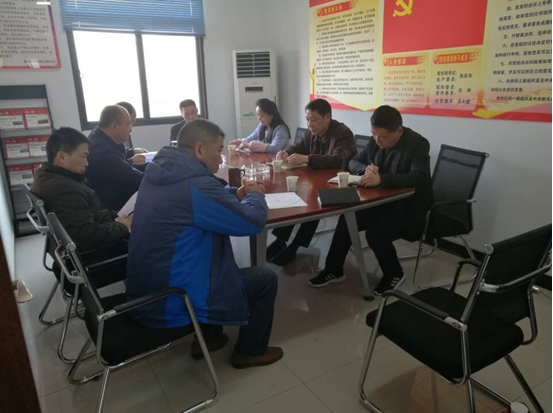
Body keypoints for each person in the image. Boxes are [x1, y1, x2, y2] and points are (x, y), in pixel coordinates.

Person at [127, 119, 283, 369]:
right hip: (171, 298)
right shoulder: (195, 184)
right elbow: (253, 222)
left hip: (147, 287)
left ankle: (209, 339)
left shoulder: (160, 172)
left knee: (209, 259)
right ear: (200, 149)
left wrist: (237, 194)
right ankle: (250, 352)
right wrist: (255, 195)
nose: (221, 158)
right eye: (219, 150)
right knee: (265, 279)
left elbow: (202, 200)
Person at [309, 105, 433, 293]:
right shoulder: (376, 140)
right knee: (348, 219)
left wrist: (382, 179)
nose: (377, 140)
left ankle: (394, 273)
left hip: (410, 208)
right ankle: (334, 269)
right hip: (383, 203)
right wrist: (365, 169)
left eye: (382, 137)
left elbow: (420, 177)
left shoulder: (417, 144)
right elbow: (353, 161)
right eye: (374, 134)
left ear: (399, 131)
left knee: (376, 233)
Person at [267, 98, 356, 266]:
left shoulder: (342, 133)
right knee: (294, 196)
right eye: (307, 119)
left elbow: (338, 159)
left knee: (313, 201)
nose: (309, 124)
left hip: (336, 185)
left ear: (327, 117)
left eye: (313, 119)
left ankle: (295, 246)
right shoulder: (312, 132)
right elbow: (299, 146)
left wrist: (308, 158)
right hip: (316, 180)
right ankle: (280, 240)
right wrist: (286, 152)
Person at [32, 127, 132, 251]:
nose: (86, 163)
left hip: (96, 228)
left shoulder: (45, 174)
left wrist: (117, 216)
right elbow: (89, 236)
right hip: (98, 252)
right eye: (82, 157)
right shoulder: (64, 190)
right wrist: (122, 227)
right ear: (62, 157)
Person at [86, 105, 145, 211]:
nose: (130, 129)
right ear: (114, 126)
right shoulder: (101, 150)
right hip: (111, 210)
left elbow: (126, 167)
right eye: (128, 124)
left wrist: (154, 166)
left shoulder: (104, 138)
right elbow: (132, 176)